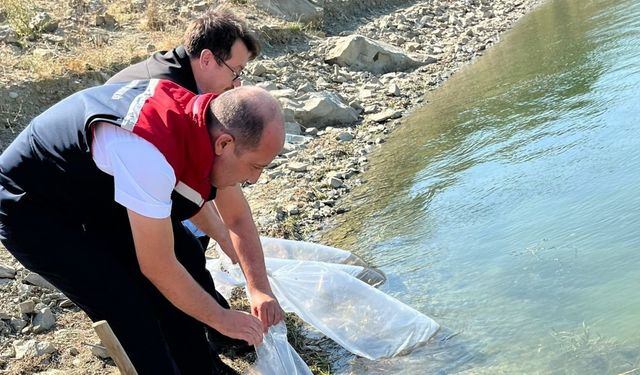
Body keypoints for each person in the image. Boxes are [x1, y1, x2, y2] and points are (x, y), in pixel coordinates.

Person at [0, 79, 284, 374]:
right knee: (126, 305)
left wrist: (259, 289)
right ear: (225, 144)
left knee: (186, 254)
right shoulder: (150, 152)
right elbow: (158, 266)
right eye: (256, 167)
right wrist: (221, 318)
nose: (255, 180)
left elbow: (236, 218)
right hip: (32, 206)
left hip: (94, 190)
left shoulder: (206, 126)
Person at [107, 6, 285, 347]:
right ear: (207, 59)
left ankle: (214, 332)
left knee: (190, 247)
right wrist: (223, 239)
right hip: (97, 194)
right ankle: (215, 333)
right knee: (179, 255)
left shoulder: (196, 90)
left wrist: (256, 284)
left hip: (138, 182)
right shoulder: (167, 99)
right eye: (236, 72)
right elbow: (195, 197)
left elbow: (229, 201)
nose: (238, 84)